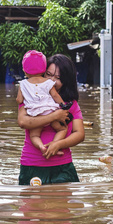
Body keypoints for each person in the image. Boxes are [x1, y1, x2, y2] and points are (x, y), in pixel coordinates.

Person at [17, 53, 85, 185]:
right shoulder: (30, 98)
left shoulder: (69, 104)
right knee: (31, 205)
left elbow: (79, 134)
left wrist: (58, 144)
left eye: (58, 77)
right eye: (48, 74)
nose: (52, 81)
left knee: (63, 205)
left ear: (66, 80)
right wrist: (54, 116)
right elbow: (22, 122)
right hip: (31, 165)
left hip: (63, 166)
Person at [16, 50, 72, 154]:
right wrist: (63, 106)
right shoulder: (48, 82)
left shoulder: (23, 84)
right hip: (50, 110)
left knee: (34, 135)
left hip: (35, 114)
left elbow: (19, 100)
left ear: (24, 71)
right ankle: (54, 146)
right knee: (62, 129)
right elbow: (55, 95)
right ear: (43, 71)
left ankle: (42, 147)